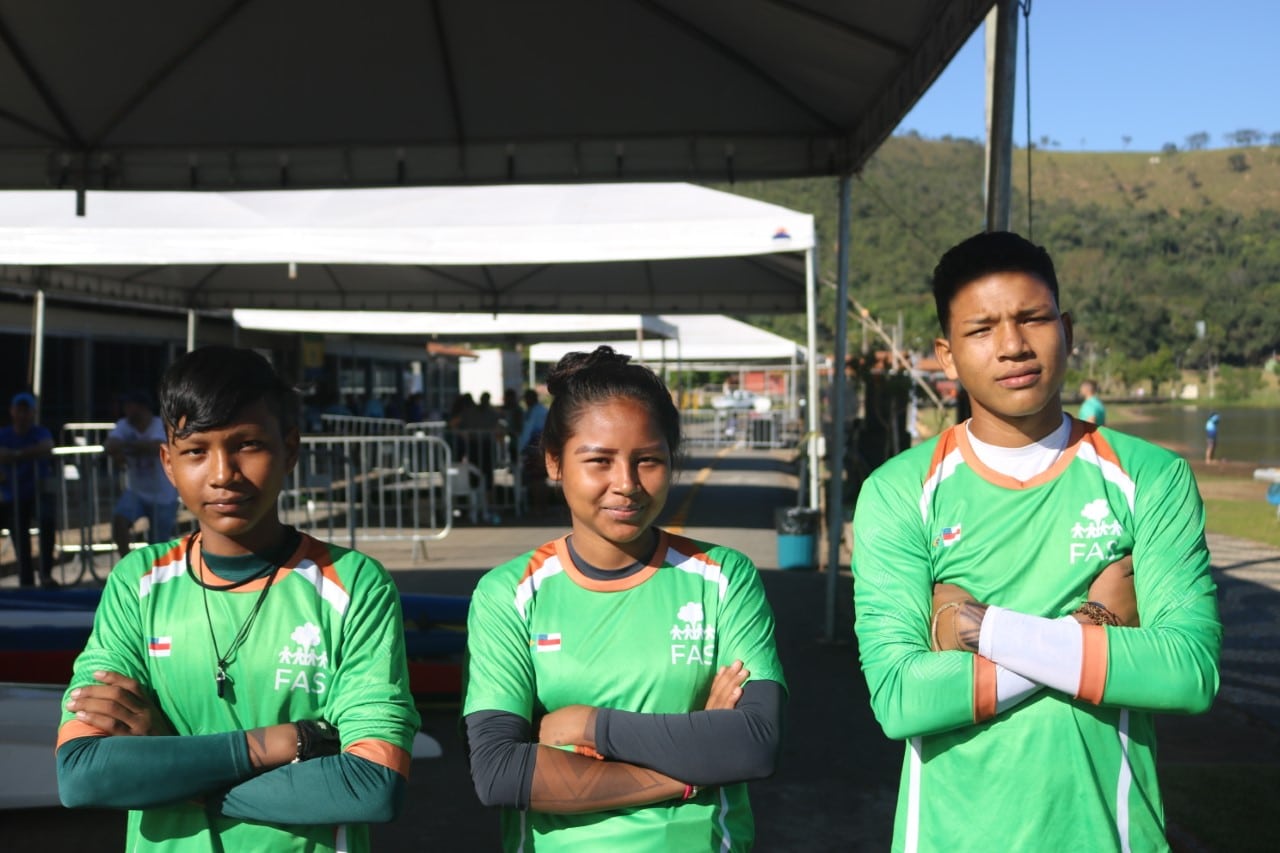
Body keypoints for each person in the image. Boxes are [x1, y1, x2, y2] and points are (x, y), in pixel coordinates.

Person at [851, 232, 1221, 851]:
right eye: (982, 329)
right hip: (949, 836)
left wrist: (976, 629)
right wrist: (1096, 622)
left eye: (1033, 318)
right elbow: (901, 699)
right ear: (946, 355)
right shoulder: (897, 490)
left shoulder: (1151, 476)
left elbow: (1188, 673)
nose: (1013, 345)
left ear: (1067, 329)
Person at [56, 346, 420, 852]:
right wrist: (279, 744)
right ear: (168, 461)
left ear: (290, 449)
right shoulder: (135, 583)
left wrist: (167, 760)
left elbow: (369, 785)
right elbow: (83, 775)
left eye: (247, 444)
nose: (224, 473)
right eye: (196, 451)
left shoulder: (354, 583)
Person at [463, 346, 787, 851]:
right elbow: (500, 772)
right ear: (554, 462)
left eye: (649, 461)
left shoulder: (724, 577)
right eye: (599, 461)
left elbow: (752, 743)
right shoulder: (508, 593)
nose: (627, 485)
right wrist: (688, 769)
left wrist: (589, 726)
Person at [106, 390, 180, 557]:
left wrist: (125, 447)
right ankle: (127, 564)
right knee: (119, 520)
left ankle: (157, 574)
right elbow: (110, 445)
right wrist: (124, 449)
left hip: (163, 494)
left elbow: (156, 446)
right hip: (136, 491)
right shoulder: (124, 424)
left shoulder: (159, 424)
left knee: (159, 542)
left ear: (143, 407)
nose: (125, 409)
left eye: (129, 405)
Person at [0, 392, 58, 588]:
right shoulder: (5, 434)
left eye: (27, 410)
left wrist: (16, 455)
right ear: (12, 411)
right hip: (12, 495)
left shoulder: (39, 432)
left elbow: (47, 445)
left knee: (47, 523)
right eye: (19, 410)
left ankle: (45, 573)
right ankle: (26, 579)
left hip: (37, 492)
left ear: (33, 412)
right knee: (20, 536)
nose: (22, 415)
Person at [518, 387, 550, 514]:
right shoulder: (539, 410)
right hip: (539, 446)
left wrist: (521, 447)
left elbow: (528, 431)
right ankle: (542, 506)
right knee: (539, 479)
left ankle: (540, 507)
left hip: (536, 447)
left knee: (537, 479)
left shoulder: (536, 412)